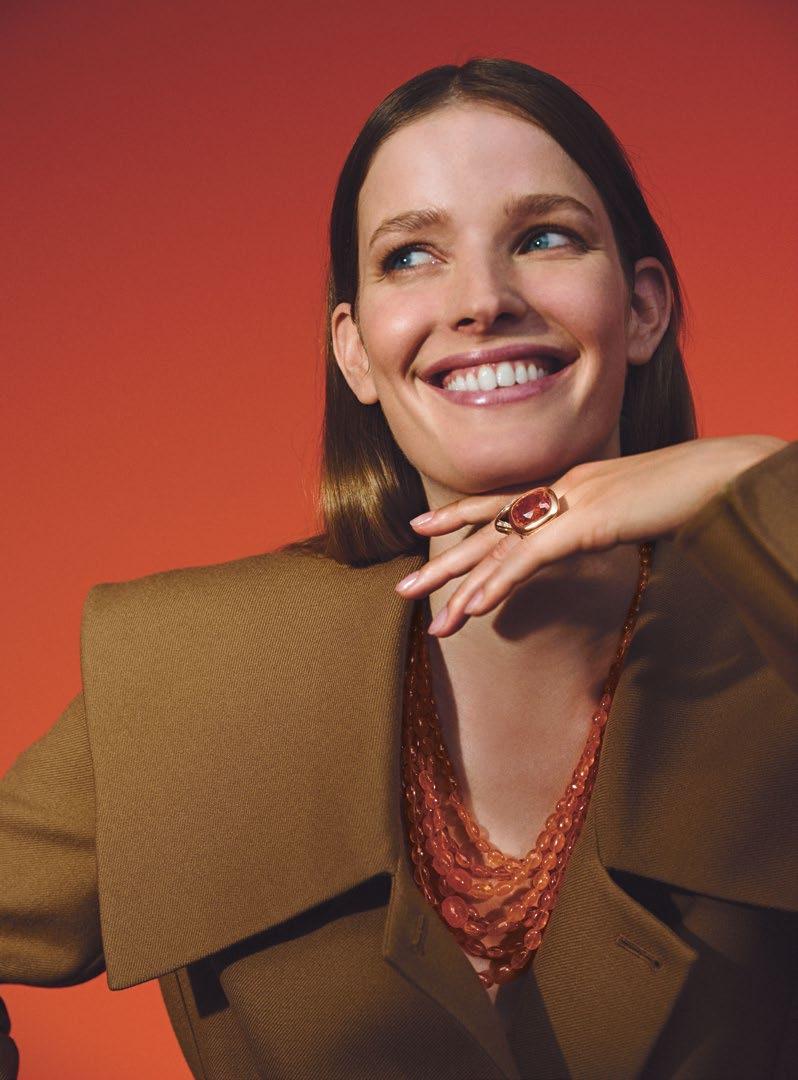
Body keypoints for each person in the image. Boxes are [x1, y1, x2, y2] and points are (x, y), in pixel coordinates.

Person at [1, 57, 796, 1080]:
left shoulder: (773, 647)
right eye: (412, 256)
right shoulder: (191, 673)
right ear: (356, 353)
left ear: (642, 309)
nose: (482, 301)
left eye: (544, 238)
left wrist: (756, 478)